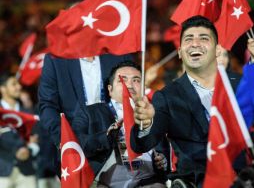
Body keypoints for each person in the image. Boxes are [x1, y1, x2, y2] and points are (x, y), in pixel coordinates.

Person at [131, 16, 242, 187]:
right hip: (198, 181)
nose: (195, 43)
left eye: (203, 38)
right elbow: (143, 144)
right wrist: (145, 124)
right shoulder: (167, 96)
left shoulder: (243, 84)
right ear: (180, 53)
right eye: (188, 39)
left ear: (218, 50)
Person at [72, 61, 168, 188]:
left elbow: (165, 149)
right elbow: (76, 145)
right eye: (122, 80)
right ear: (110, 89)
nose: (129, 85)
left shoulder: (152, 112)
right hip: (108, 181)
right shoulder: (90, 112)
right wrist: (107, 136)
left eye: (136, 80)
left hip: (149, 180)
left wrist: (162, 159)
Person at [38, 53, 132, 174]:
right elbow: (47, 105)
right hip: (77, 146)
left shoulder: (117, 52)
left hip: (118, 143)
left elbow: (132, 91)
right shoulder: (56, 58)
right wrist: (64, 140)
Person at [0, 72, 39, 188]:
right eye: (14, 84)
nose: (19, 87)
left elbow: (37, 139)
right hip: (2, 172)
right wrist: (15, 152)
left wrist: (29, 151)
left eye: (18, 84)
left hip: (27, 172)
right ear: (2, 89)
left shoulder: (28, 113)